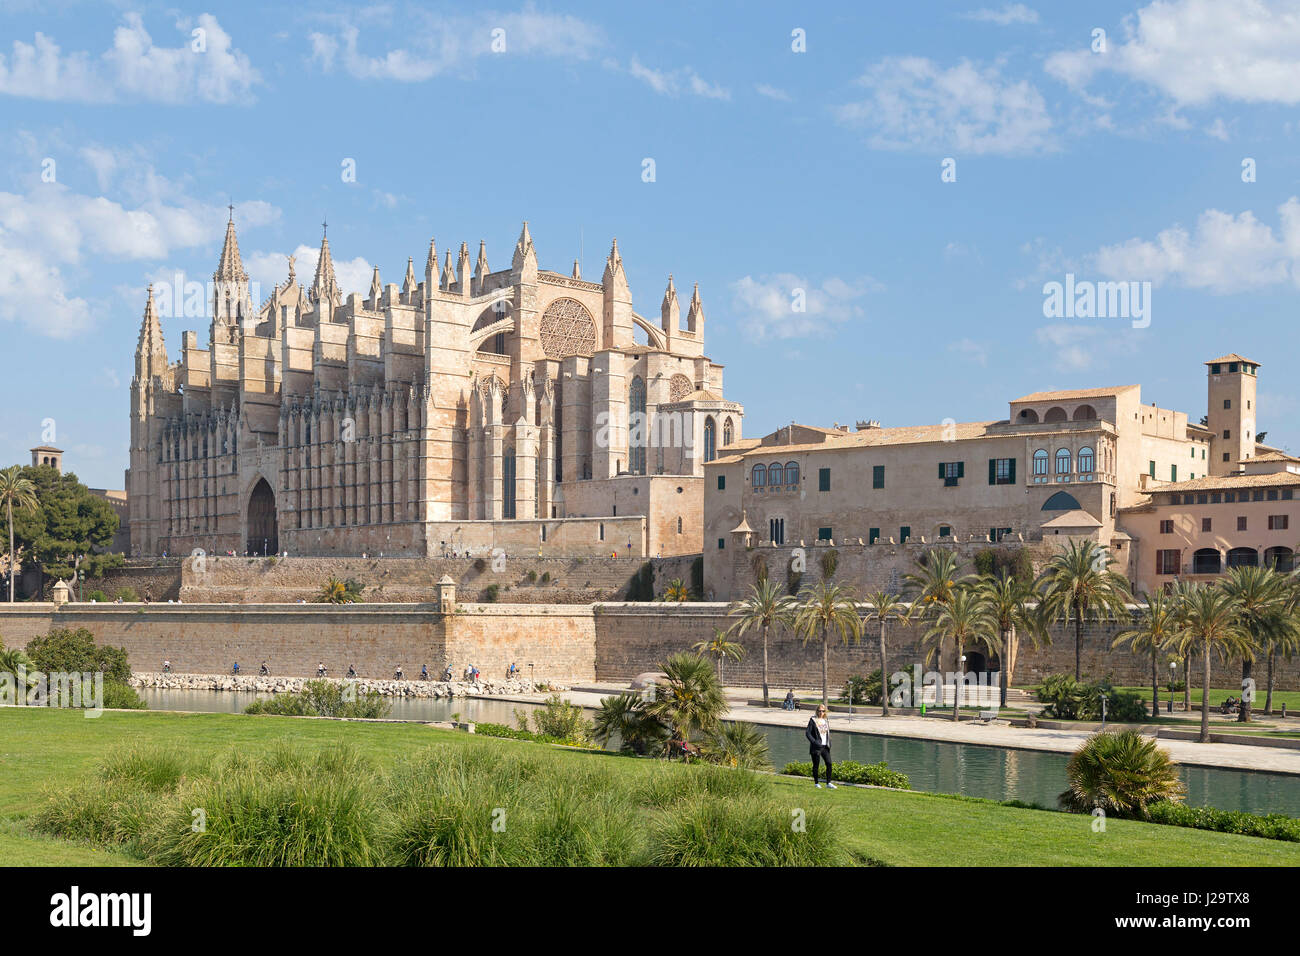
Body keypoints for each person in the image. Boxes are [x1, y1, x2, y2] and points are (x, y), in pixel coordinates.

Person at [805, 704, 836, 789]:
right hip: (816, 747)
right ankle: (816, 783)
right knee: (816, 765)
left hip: (825, 746)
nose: (821, 712)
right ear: (817, 711)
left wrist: (829, 742)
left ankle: (828, 783)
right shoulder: (813, 720)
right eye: (819, 711)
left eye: (823, 711)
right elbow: (807, 733)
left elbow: (827, 733)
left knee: (829, 763)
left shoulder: (826, 720)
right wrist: (814, 742)